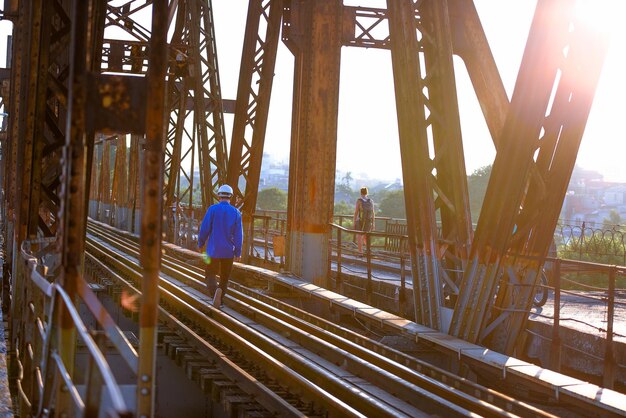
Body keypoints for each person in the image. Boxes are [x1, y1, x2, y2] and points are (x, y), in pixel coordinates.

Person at [197, 184, 243, 308]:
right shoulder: (236, 212)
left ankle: (214, 293)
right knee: (224, 278)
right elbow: (239, 235)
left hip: (213, 250)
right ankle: (220, 299)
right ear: (231, 197)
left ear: (219, 196)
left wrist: (200, 243)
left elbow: (204, 229)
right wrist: (238, 253)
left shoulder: (212, 209)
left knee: (210, 274)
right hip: (228, 252)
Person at [353, 187, 375, 255]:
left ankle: (360, 252)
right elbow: (373, 213)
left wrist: (354, 222)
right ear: (367, 192)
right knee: (366, 237)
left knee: (359, 236)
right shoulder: (370, 201)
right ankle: (368, 251)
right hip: (368, 221)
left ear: (360, 192)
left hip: (360, 221)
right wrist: (373, 223)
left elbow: (356, 212)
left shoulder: (359, 200)